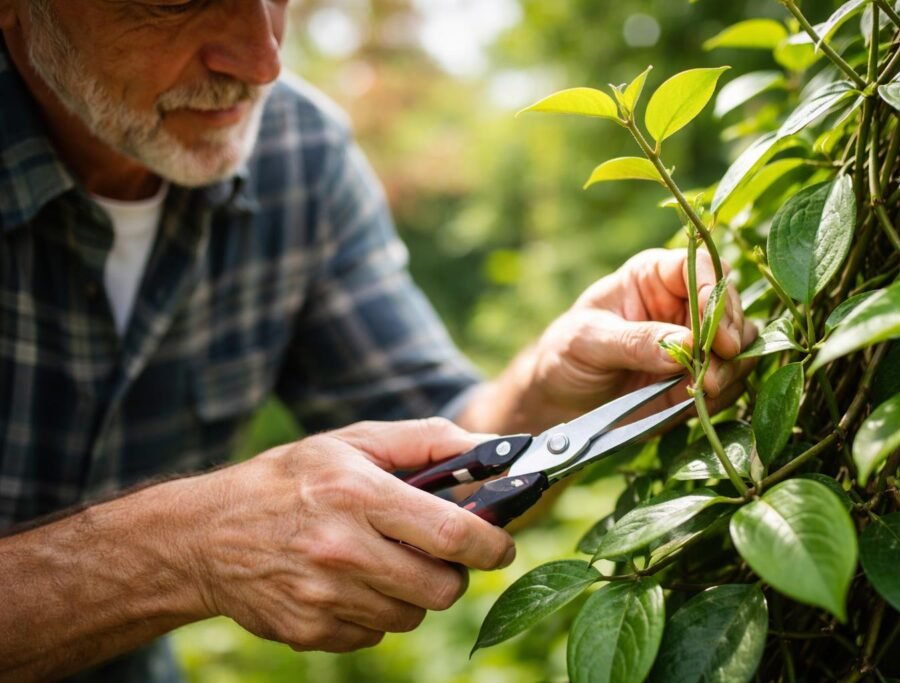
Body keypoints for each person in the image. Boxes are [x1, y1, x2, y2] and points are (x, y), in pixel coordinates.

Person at [0, 1, 755, 681]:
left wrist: (551, 388)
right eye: (177, 3)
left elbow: (437, 451)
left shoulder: (298, 153)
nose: (263, 60)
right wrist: (183, 546)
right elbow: (196, 542)